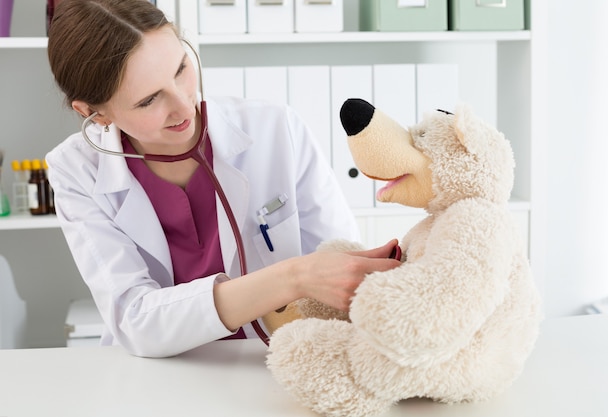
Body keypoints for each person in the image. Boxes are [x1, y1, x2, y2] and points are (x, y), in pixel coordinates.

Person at [45, 0, 401, 358]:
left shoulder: (275, 128)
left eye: (181, 68)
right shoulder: (75, 170)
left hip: (280, 363)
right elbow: (136, 321)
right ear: (94, 113)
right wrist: (293, 278)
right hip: (157, 377)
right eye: (149, 99)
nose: (185, 106)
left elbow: (339, 266)